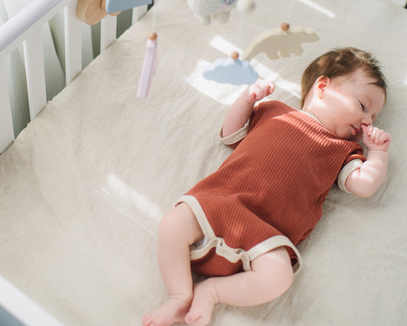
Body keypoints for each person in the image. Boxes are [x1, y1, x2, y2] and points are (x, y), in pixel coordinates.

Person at [143, 47, 391, 326]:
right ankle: (179, 295)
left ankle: (211, 291)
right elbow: (230, 134)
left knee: (280, 276)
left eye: (374, 117)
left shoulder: (344, 150)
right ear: (323, 87)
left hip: (267, 232)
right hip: (221, 202)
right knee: (173, 223)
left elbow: (364, 185)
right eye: (363, 106)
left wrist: (378, 153)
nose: (368, 121)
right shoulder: (273, 111)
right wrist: (246, 100)